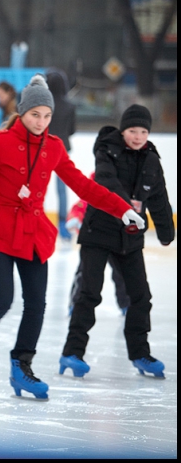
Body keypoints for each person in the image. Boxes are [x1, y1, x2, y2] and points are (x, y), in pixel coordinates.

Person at [0, 75, 144, 400]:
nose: (41, 122)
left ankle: (21, 367)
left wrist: (121, 208)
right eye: (35, 115)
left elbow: (84, 187)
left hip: (32, 233)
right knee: (2, 299)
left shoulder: (53, 148)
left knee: (36, 304)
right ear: (22, 113)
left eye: (47, 116)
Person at [59, 105, 175, 379]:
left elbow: (158, 197)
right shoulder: (107, 150)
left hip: (131, 239)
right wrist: (129, 209)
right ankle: (72, 352)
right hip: (99, 234)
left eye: (143, 131)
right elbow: (106, 181)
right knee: (89, 293)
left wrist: (166, 233)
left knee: (140, 296)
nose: (138, 136)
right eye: (133, 130)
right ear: (123, 131)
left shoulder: (151, 160)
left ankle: (140, 354)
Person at [66, 173, 130, 317]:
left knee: (121, 273)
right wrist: (75, 218)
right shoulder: (94, 184)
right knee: (85, 273)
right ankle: (76, 303)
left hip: (116, 238)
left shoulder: (123, 185)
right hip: (93, 239)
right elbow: (80, 206)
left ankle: (127, 304)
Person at [46, 70, 76, 241]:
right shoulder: (69, 106)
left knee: (38, 185)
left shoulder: (45, 105)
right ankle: (63, 225)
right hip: (62, 150)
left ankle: (36, 220)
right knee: (61, 190)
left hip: (43, 148)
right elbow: (72, 130)